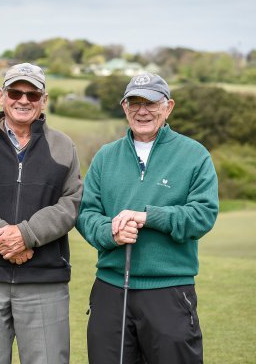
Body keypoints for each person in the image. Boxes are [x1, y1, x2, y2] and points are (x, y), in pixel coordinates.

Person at [76, 73, 219, 363]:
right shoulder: (105, 156)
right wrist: (110, 233)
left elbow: (203, 215)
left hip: (169, 292)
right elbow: (86, 213)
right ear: (124, 106)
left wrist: (148, 217)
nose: (142, 111)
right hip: (110, 290)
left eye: (151, 103)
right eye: (135, 102)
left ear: (168, 107)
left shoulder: (194, 155)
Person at [0, 63, 83, 364]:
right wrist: (2, 237)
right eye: (15, 92)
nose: (23, 100)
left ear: (43, 100)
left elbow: (71, 202)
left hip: (45, 281)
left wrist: (26, 235)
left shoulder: (63, 146)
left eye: (32, 94)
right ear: (1, 96)